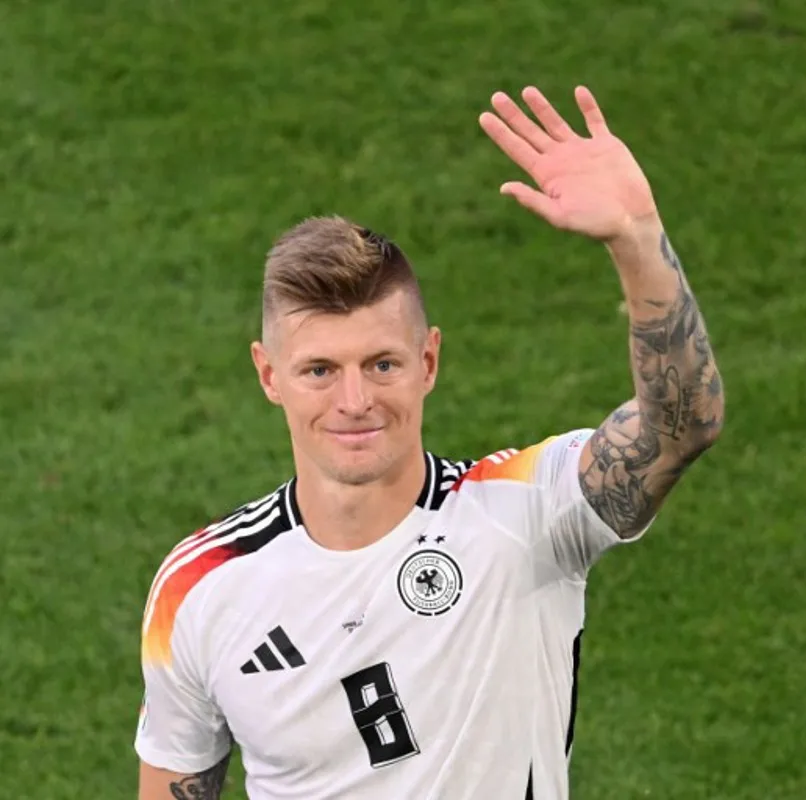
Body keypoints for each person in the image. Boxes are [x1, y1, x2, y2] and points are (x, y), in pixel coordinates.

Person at [134, 84, 725, 800]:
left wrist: (636, 239)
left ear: (429, 362)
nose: (354, 402)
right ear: (269, 376)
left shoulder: (524, 514)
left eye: (381, 364)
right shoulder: (201, 589)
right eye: (320, 370)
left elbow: (681, 424)